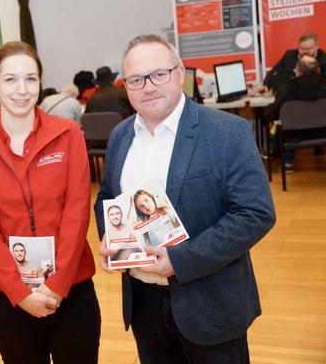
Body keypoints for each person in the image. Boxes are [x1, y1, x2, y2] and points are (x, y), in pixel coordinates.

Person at [95, 34, 276, 363]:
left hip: (210, 301)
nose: (148, 86)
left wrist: (180, 260)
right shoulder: (120, 136)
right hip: (143, 302)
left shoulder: (227, 132)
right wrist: (109, 235)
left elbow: (255, 213)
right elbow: (107, 196)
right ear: (126, 85)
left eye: (159, 74)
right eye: (136, 79)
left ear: (180, 73)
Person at [0, 41, 101, 364]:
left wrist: (57, 286)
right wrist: (20, 293)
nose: (21, 90)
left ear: (40, 81)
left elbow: (76, 214)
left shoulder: (68, 135)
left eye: (31, 78)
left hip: (72, 290)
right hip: (10, 296)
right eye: (10, 79)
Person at [263, 55, 326, 172]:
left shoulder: (286, 91)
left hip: (294, 136)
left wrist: (266, 112)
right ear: (318, 70)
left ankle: (287, 163)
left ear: (298, 72)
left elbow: (272, 114)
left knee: (280, 126)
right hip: (323, 133)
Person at [261, 34, 326, 92]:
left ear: (316, 47)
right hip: (290, 92)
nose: (305, 51)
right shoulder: (289, 55)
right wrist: (266, 85)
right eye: (302, 49)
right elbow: (274, 71)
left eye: (308, 49)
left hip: (315, 92)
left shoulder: (324, 58)